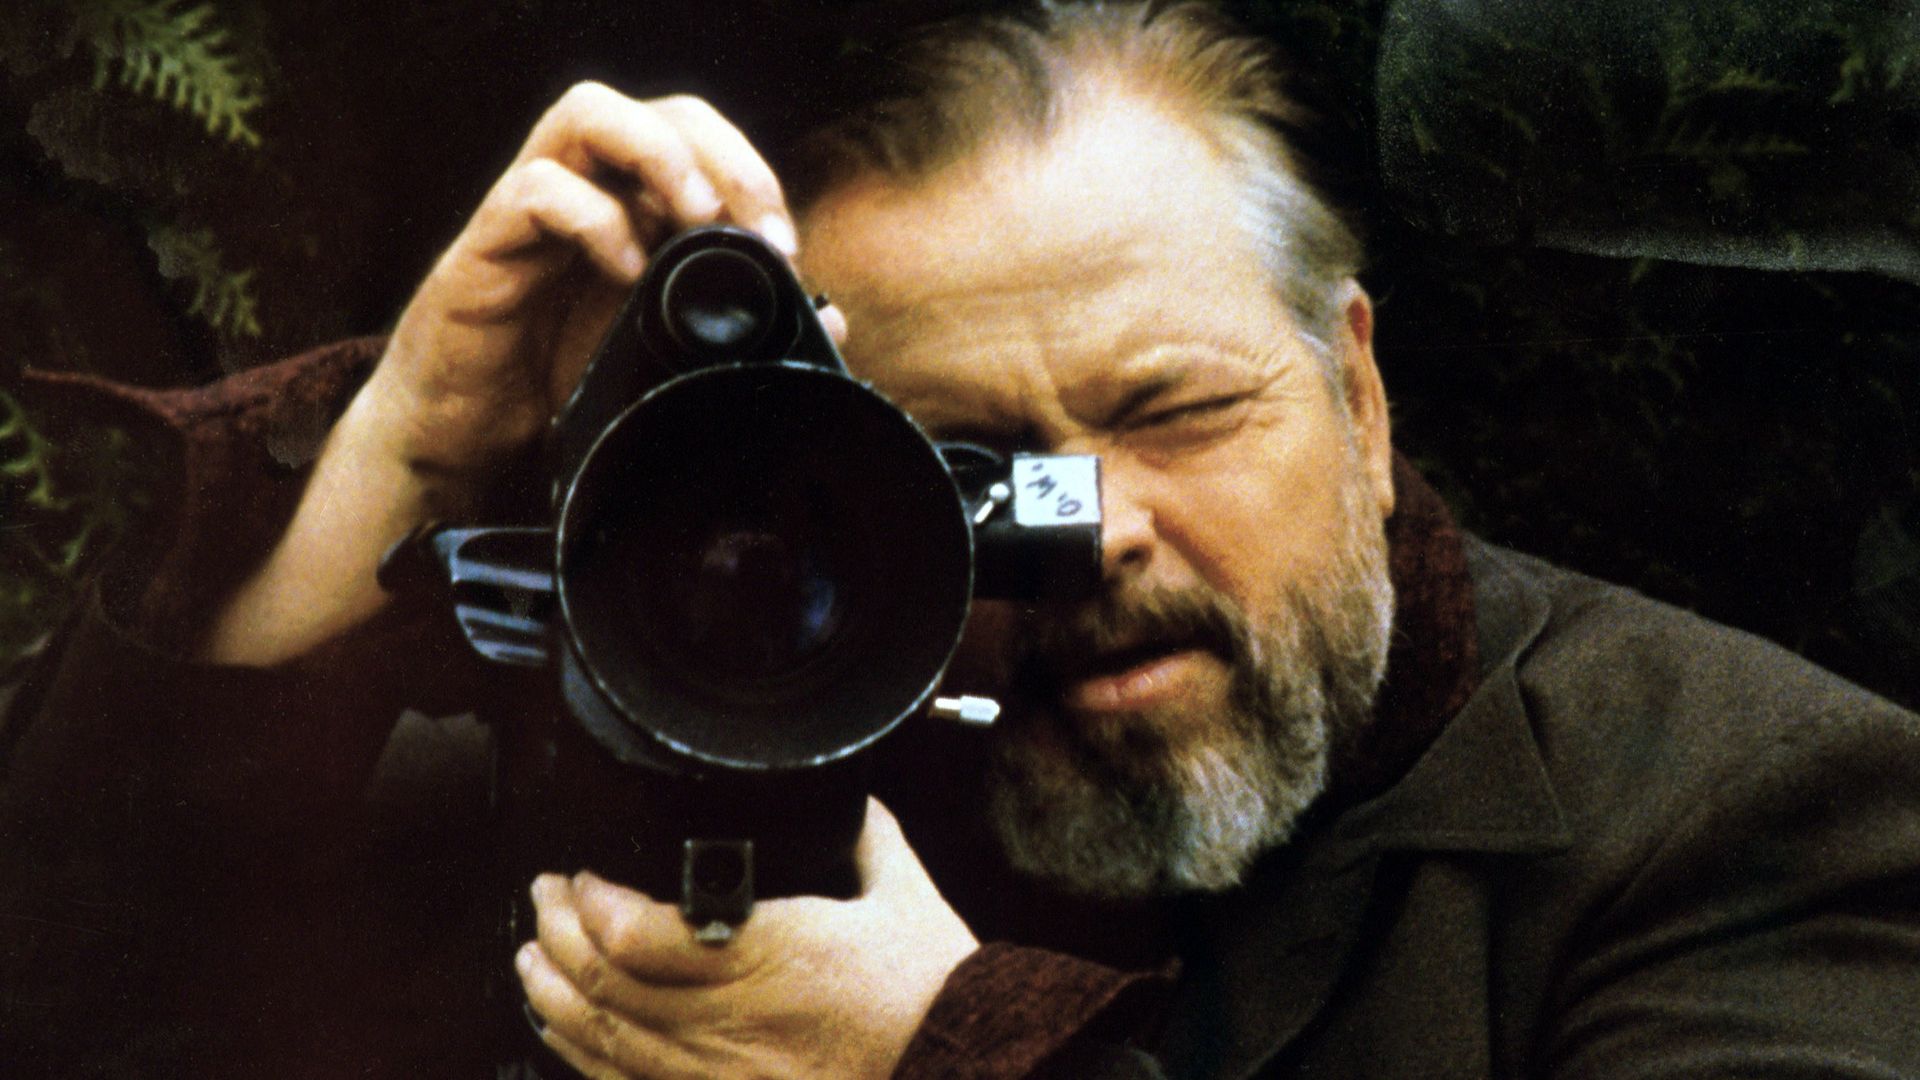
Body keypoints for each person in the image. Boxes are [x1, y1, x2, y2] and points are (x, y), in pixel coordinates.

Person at [4, 2, 1918, 1077]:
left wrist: (956, 1056)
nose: (1091, 528)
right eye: (964, 463)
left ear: (1361, 391)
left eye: (1171, 410)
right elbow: (78, 997)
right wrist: (398, 448)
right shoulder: (734, 712)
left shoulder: (1757, 814)